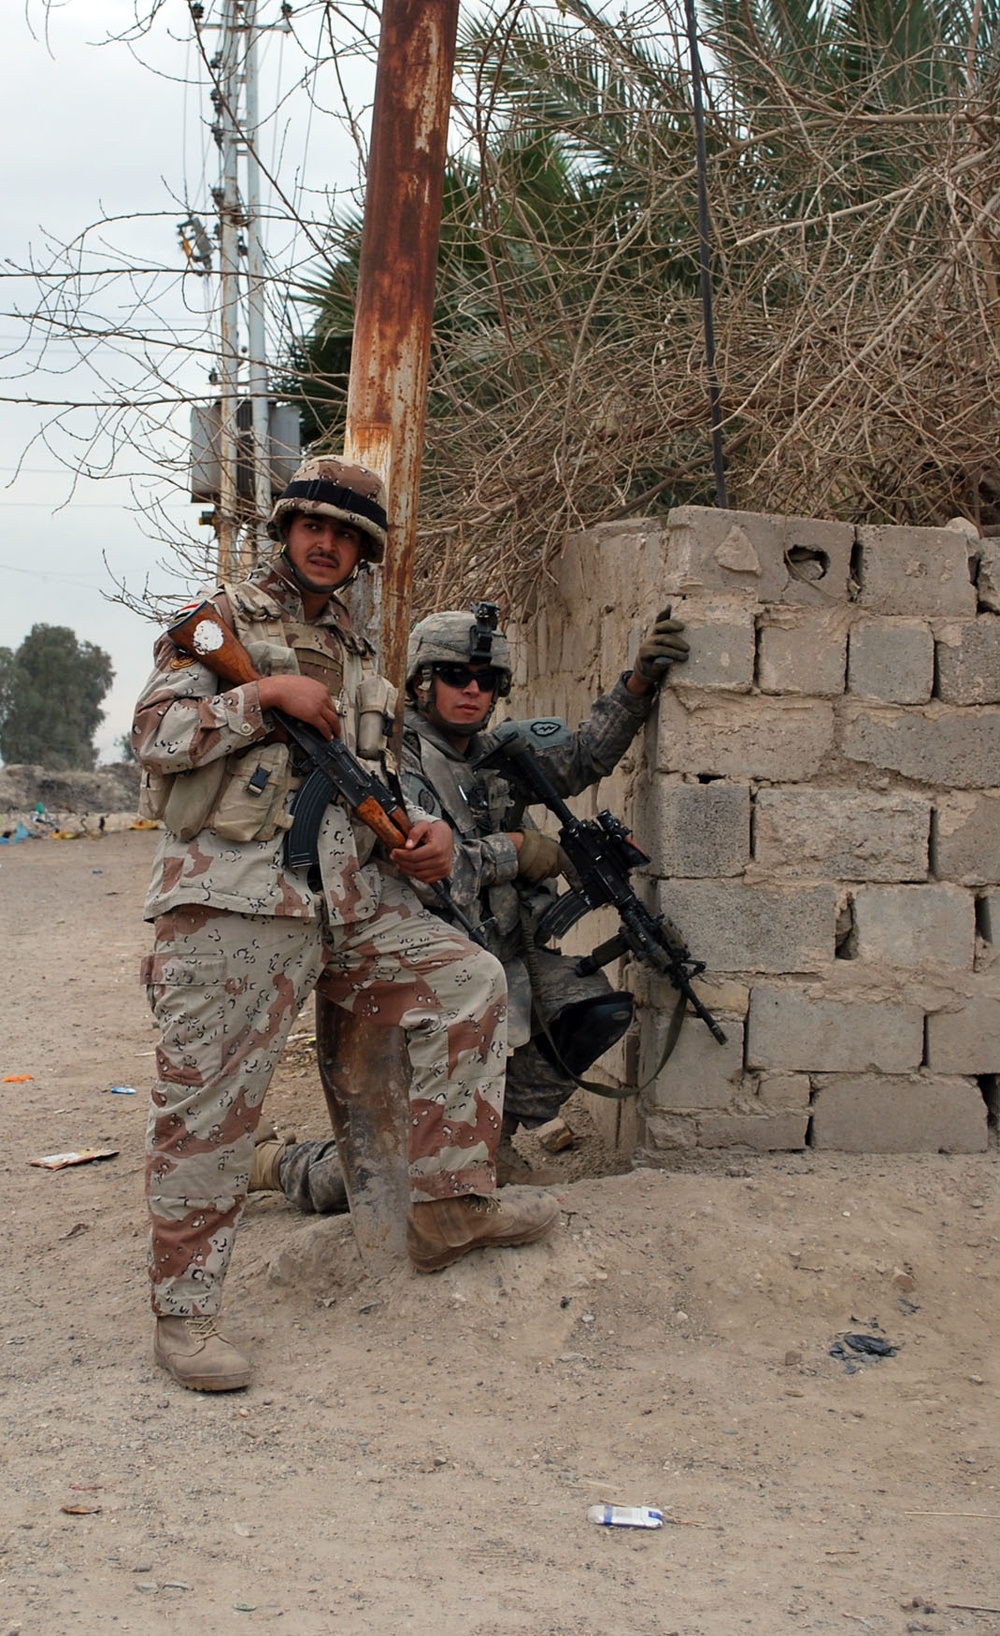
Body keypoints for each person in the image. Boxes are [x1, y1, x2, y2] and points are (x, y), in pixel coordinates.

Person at [133, 457, 560, 1393]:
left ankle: (449, 1207)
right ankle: (187, 1319)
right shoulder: (226, 623)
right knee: (210, 1116)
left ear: (363, 552)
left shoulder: (366, 655)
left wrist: (426, 837)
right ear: (287, 530)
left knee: (470, 980)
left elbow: (386, 781)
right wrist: (261, 700)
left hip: (347, 910)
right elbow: (155, 741)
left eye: (348, 536)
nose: (328, 545)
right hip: (233, 910)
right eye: (313, 528)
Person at [251, 596, 689, 1214]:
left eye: (487, 681)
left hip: (506, 959)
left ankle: (493, 1143)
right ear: (422, 683)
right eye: (456, 676)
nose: (472, 691)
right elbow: (416, 862)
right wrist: (515, 851)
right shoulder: (392, 758)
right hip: (425, 970)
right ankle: (278, 1164)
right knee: (382, 1177)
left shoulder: (497, 755)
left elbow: (587, 755)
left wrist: (638, 684)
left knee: (591, 1011)